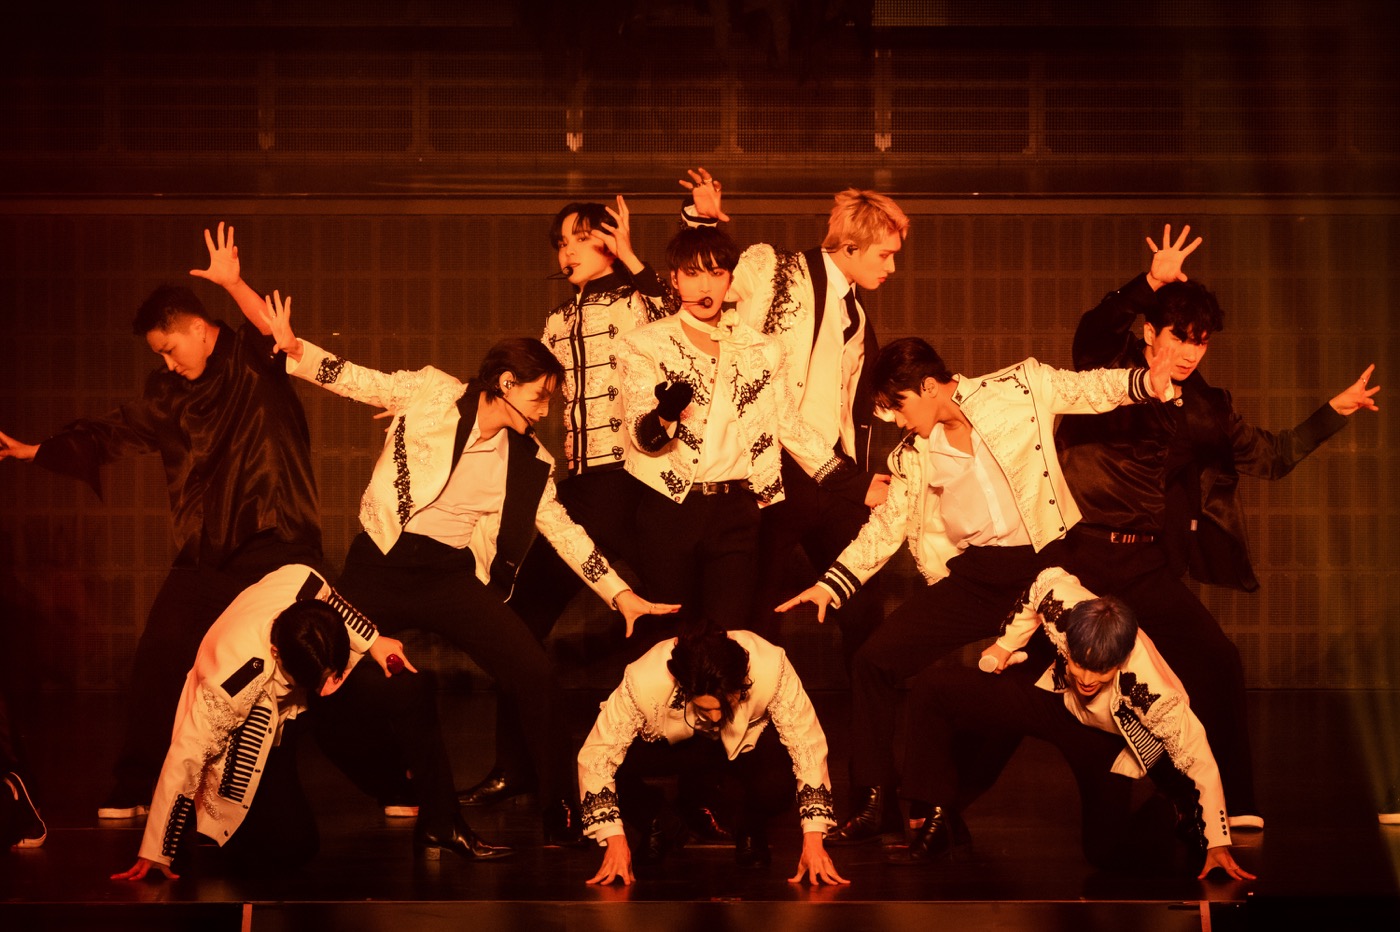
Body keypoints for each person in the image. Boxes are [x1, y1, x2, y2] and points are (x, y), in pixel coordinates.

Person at [260, 292, 678, 841]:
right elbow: (364, 382)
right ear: (505, 383)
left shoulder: (530, 462)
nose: (546, 410)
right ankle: (366, 786)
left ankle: (561, 806)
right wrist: (297, 350)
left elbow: (563, 531)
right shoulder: (434, 394)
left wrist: (620, 594)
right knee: (321, 674)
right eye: (539, 396)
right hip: (380, 562)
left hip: (448, 576)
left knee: (535, 674)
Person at [777, 335, 1180, 843]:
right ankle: (875, 801)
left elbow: (1086, 389)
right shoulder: (913, 454)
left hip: (1045, 570)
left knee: (1034, 702)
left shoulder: (1018, 388)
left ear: (929, 386)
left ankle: (1175, 796)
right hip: (977, 577)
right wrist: (831, 585)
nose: (898, 421)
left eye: (900, 406)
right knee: (873, 660)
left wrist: (1145, 382)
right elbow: (887, 526)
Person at [1056, 224, 1380, 828]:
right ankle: (937, 801)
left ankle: (1232, 802)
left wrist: (1332, 414)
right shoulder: (1105, 368)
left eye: (1200, 343)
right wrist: (1150, 281)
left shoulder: (1206, 408)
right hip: (1078, 556)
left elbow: (1273, 456)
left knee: (1216, 660)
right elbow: (1095, 327)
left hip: (1145, 564)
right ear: (1151, 333)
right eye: (1178, 337)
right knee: (1023, 674)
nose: (1188, 353)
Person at [0, 223, 322, 819]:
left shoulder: (251, 361)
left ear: (200, 329)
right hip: (208, 552)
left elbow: (273, 335)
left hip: (278, 542)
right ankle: (136, 782)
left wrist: (234, 283)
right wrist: (38, 450)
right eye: (159, 355)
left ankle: (395, 777)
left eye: (171, 348)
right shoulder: (169, 393)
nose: (168, 363)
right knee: (160, 654)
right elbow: (116, 429)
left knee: (315, 661)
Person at [464, 195, 669, 808]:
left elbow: (680, 317)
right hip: (581, 487)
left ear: (609, 241)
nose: (566, 251)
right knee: (519, 623)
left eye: (579, 238)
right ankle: (515, 766)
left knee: (677, 618)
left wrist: (633, 255)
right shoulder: (558, 318)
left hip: (639, 482)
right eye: (561, 242)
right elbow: (514, 383)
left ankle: (692, 777)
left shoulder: (639, 299)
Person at [110, 564, 508, 880]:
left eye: (334, 675)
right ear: (278, 655)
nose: (332, 686)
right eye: (324, 679)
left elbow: (328, 599)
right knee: (294, 847)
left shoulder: (300, 580)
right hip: (254, 730)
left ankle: (442, 821)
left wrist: (373, 642)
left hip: (303, 700)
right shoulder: (233, 681)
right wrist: (156, 850)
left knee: (408, 687)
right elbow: (187, 753)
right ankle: (215, 833)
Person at [898, 566, 1255, 881]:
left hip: (1102, 738)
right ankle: (938, 816)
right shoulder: (1064, 608)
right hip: (1053, 700)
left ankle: (1168, 813)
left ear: (1119, 662)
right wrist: (1006, 645)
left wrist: (1216, 842)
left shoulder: (1152, 690)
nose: (1086, 678)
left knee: (1104, 853)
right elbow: (1043, 582)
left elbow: (1199, 758)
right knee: (934, 688)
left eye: (1100, 671)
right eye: (1080, 663)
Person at [685, 173, 906, 660]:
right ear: (850, 246)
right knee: (758, 615)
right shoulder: (774, 268)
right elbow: (707, 289)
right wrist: (703, 225)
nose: (892, 266)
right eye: (885, 254)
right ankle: (746, 703)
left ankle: (874, 703)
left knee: (862, 608)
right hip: (774, 472)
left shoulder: (857, 312)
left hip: (833, 475)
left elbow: (847, 401)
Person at [616, 225, 849, 641]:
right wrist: (666, 413)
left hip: (736, 509)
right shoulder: (645, 343)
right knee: (669, 640)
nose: (705, 285)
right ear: (675, 279)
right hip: (670, 508)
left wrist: (851, 481)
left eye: (717, 273)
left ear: (729, 279)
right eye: (693, 274)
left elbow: (788, 425)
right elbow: (643, 437)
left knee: (731, 638)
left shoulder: (761, 348)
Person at [577, 628, 846, 886]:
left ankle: (750, 825)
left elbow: (807, 746)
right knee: (609, 761)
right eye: (706, 708)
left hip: (745, 742)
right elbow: (597, 756)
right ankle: (658, 822)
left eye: (724, 706)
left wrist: (814, 842)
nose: (716, 717)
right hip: (677, 746)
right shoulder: (643, 680)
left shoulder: (771, 665)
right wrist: (614, 840)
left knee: (777, 781)